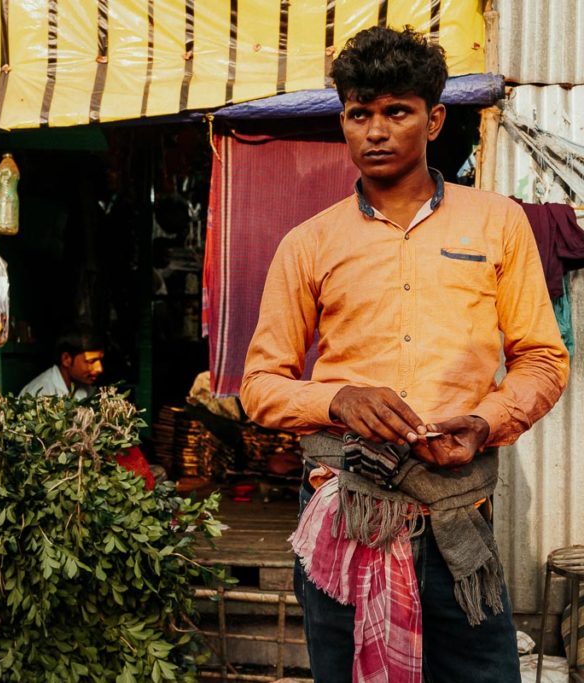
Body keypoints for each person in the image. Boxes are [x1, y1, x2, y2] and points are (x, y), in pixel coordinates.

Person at [239, 27, 568, 683]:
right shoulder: (309, 243)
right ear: (343, 121)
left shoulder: (497, 223)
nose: (377, 130)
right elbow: (259, 385)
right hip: (347, 521)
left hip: (457, 527)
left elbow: (541, 359)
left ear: (434, 118)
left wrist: (485, 422)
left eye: (398, 111)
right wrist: (337, 398)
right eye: (361, 113)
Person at [19, 330, 105, 399]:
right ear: (66, 359)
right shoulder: (39, 393)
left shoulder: (86, 386)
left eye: (100, 360)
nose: (99, 368)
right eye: (91, 361)